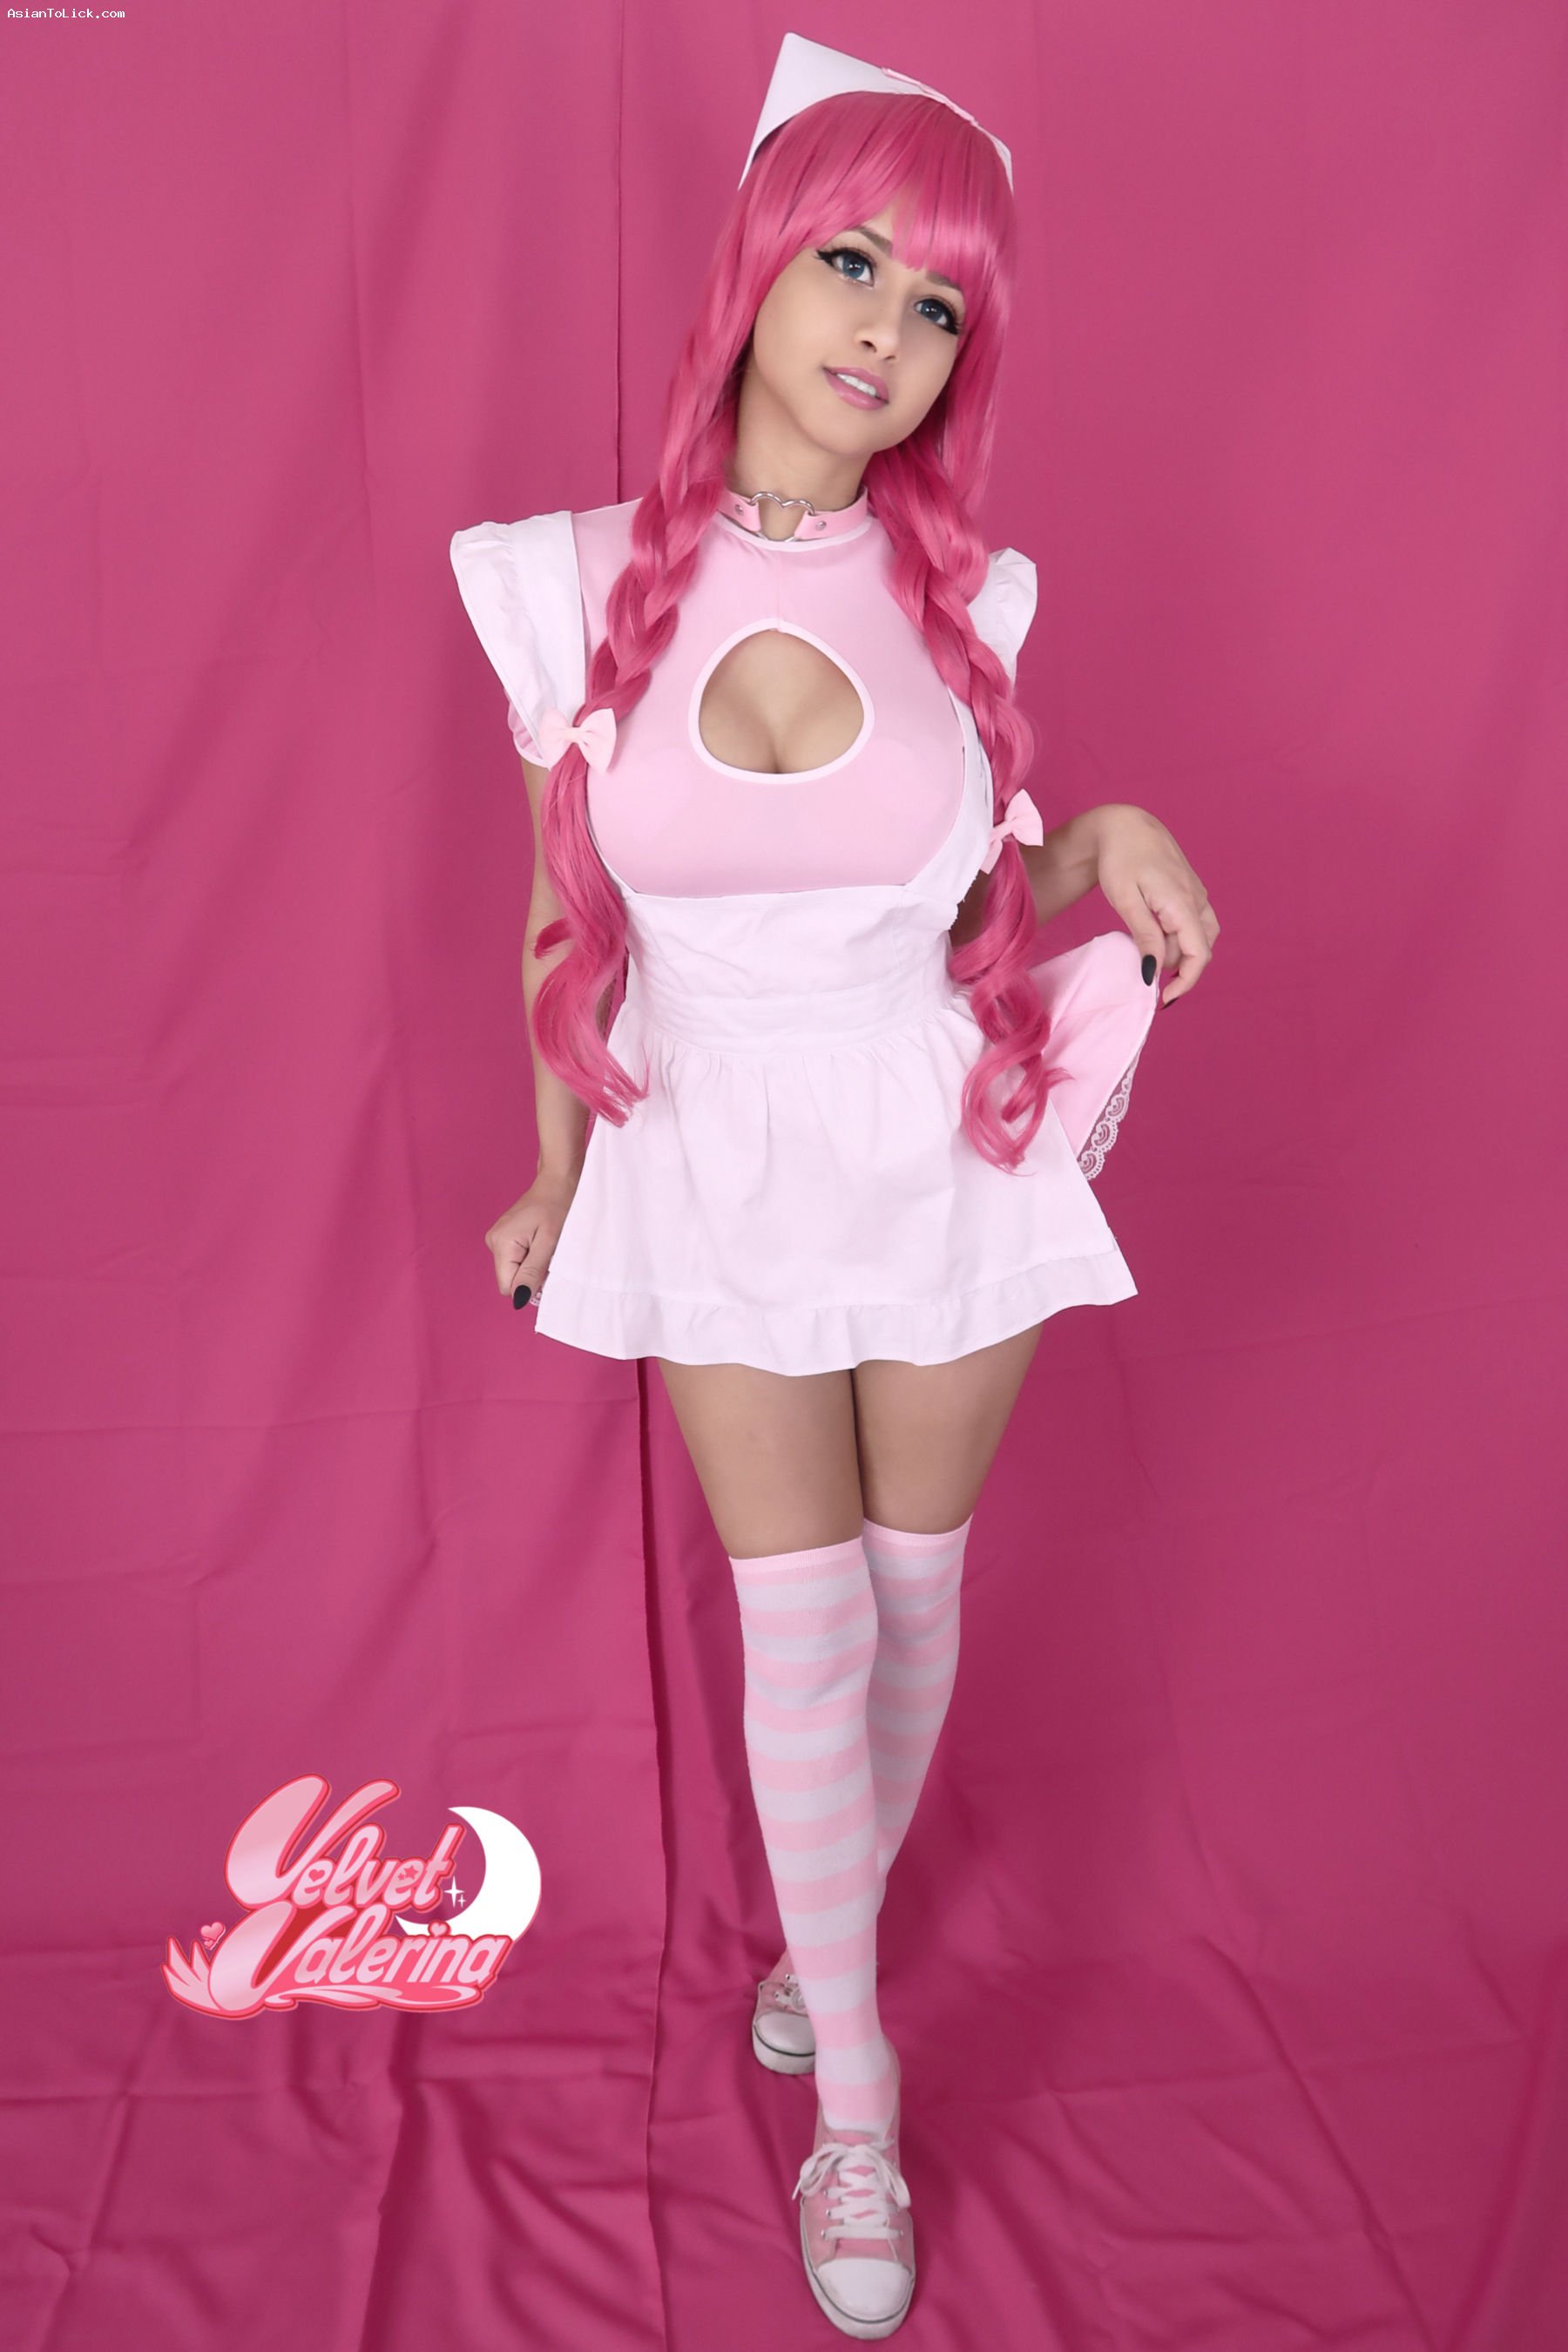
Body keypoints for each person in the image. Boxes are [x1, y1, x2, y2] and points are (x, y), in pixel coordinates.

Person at [450, 31, 1218, 2339]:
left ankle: (826, 1935)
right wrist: (550, 1166)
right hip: (709, 1147)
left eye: (942, 301)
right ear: (760, 264)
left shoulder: (973, 595)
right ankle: (856, 2103)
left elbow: (978, 904)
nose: (890, 326)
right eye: (856, 263)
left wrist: (1106, 833)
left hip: (937, 1136)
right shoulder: (568, 579)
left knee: (909, 1602)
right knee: (796, 1627)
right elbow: (564, 915)